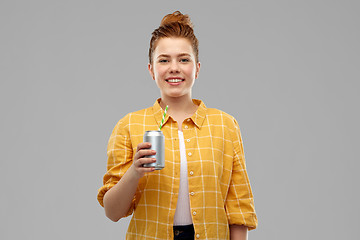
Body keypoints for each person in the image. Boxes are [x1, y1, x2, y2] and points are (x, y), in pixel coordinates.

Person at [97, 11, 258, 240]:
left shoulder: (226, 125)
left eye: (184, 59)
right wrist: (134, 172)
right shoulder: (129, 125)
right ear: (152, 70)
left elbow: (238, 209)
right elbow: (112, 212)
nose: (174, 68)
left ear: (197, 68)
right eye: (164, 60)